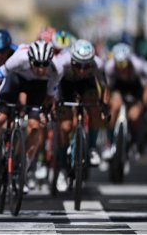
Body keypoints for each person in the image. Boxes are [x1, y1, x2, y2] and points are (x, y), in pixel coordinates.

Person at [0, 40, 62, 193]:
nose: (40, 69)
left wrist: (44, 113)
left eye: (44, 65)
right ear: (30, 60)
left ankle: (22, 171)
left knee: (35, 126)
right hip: (15, 80)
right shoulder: (18, 59)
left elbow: (49, 96)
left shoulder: (54, 69)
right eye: (36, 64)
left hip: (37, 87)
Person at [55, 39, 109, 191]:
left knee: (94, 108)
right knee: (65, 127)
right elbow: (52, 87)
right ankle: (63, 170)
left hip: (86, 85)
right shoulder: (61, 63)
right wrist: (55, 104)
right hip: (65, 85)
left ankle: (91, 148)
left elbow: (104, 87)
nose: (82, 70)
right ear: (72, 61)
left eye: (87, 66)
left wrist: (104, 106)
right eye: (78, 65)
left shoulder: (98, 64)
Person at [104, 43, 147, 163]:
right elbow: (108, 88)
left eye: (123, 64)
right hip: (118, 87)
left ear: (129, 61)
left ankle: (135, 142)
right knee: (115, 106)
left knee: (134, 116)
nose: (121, 68)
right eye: (118, 64)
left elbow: (146, 89)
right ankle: (109, 142)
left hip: (136, 88)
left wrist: (141, 105)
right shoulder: (109, 67)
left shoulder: (139, 66)